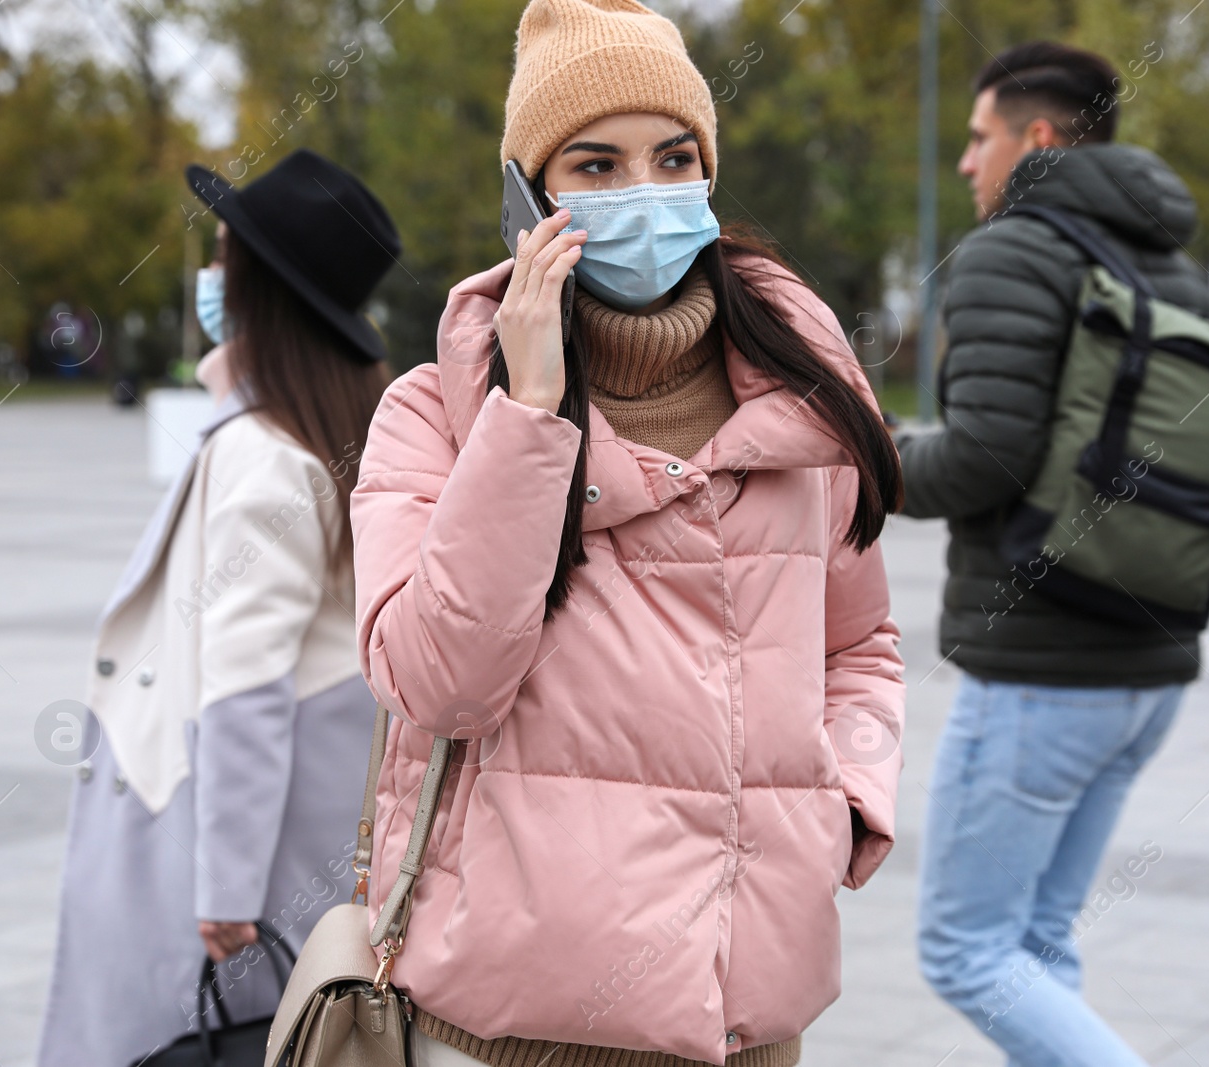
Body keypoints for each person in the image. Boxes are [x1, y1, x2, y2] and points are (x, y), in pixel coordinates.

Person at [350, 2, 906, 1064]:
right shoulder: (435, 413)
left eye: (673, 157)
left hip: (748, 1016)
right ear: (526, 197)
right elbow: (440, 682)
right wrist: (528, 412)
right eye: (594, 167)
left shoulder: (804, 397)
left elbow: (860, 644)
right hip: (514, 1026)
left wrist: (842, 801)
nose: (642, 193)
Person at [36, 149, 400, 1067]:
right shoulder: (340, 423)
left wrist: (225, 890)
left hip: (227, 845)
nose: (210, 275)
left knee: (186, 1040)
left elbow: (246, 689)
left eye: (223, 256)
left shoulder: (262, 449)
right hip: (309, 828)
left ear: (259, 286)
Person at [897, 41, 1209, 1067]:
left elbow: (983, 457)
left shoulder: (1011, 252)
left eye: (977, 136)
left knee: (963, 949)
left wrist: (866, 456)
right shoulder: (1175, 268)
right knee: (1031, 944)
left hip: (1041, 670)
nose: (964, 163)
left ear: (1034, 139)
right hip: (1148, 665)